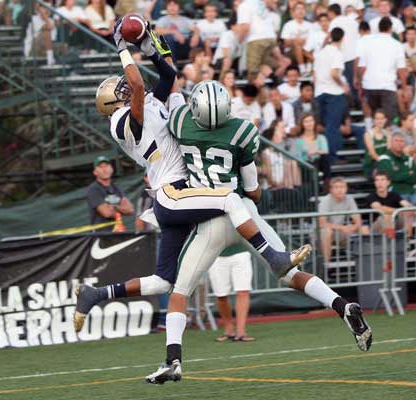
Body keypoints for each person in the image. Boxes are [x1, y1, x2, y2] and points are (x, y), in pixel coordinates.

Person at [77, 27, 309, 332]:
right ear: (112, 105)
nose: (129, 89)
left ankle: (96, 294)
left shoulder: (146, 106)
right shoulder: (121, 122)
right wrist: (121, 45)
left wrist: (152, 48)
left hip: (181, 193)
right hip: (172, 191)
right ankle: (274, 257)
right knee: (229, 198)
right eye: (120, 92)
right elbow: (135, 83)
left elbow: (168, 78)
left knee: (163, 281)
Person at [146, 81, 372, 385]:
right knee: (290, 273)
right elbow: (252, 191)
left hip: (209, 218)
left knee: (179, 292)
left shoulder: (180, 120)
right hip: (243, 213)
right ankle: (342, 305)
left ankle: (173, 360)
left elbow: (168, 121)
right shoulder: (243, 131)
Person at [357, 17, 407, 125]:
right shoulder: (397, 45)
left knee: (376, 118)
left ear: (378, 28)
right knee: (392, 119)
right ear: (390, 28)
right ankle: (393, 130)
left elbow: (361, 67)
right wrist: (404, 88)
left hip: (370, 86)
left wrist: (360, 86)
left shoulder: (368, 43)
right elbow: (401, 70)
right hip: (387, 86)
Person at [314, 27, 349, 162]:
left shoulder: (321, 53)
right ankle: (332, 156)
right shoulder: (337, 53)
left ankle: (326, 155)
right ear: (342, 38)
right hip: (333, 92)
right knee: (332, 127)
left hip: (320, 91)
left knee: (326, 126)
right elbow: (334, 73)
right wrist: (343, 85)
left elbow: (315, 75)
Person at [208, 247, 255, 342]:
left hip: (241, 252)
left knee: (243, 291)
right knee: (221, 295)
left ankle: (241, 332)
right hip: (215, 255)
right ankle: (229, 329)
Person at [319, 177, 370, 262]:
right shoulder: (326, 200)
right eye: (336, 187)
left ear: (346, 188)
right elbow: (322, 223)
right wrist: (342, 227)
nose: (340, 190)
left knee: (364, 229)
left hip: (340, 233)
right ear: (331, 190)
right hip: (321, 234)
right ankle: (326, 266)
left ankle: (367, 262)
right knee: (327, 231)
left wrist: (353, 227)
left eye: (342, 187)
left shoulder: (349, 199)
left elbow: (358, 220)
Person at [237, 0, 279, 79]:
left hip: (257, 39)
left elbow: (245, 27)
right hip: (270, 37)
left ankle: (253, 89)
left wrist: (239, 40)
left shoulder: (244, 6)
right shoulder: (260, 3)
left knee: (253, 70)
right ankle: (275, 79)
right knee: (261, 64)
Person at [86, 156, 134, 226]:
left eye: (106, 166)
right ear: (95, 172)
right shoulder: (93, 189)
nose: (104, 169)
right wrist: (120, 207)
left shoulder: (116, 188)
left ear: (111, 169)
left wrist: (113, 207)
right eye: (101, 167)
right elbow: (107, 213)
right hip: (102, 233)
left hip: (118, 231)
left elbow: (130, 210)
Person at [328, 3, 360, 106]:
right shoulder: (353, 22)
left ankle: (350, 108)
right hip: (355, 57)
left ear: (331, 13)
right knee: (354, 84)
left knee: (345, 85)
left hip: (343, 57)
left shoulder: (334, 22)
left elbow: (330, 39)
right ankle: (357, 106)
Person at [364, 171, 413, 236]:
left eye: (382, 180)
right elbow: (381, 209)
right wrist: (399, 211)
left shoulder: (394, 195)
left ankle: (407, 242)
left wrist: (408, 211)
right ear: (374, 183)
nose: (379, 183)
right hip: (375, 228)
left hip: (394, 223)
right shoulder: (371, 196)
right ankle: (390, 243)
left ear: (388, 182)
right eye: (377, 180)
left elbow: (409, 206)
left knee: (408, 213)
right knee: (387, 216)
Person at [377, 131, 416, 204]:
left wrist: (399, 174)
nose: (399, 143)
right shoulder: (384, 158)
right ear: (391, 143)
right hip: (395, 194)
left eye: (401, 141)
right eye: (396, 140)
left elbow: (414, 178)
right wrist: (409, 173)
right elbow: (392, 176)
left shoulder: (409, 159)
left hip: (412, 192)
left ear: (405, 144)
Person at [294, 113, 330, 189]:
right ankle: (314, 187)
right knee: (308, 165)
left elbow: (325, 151)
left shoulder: (321, 137)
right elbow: (298, 157)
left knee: (325, 158)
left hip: (319, 162)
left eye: (311, 121)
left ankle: (326, 183)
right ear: (302, 124)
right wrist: (309, 156)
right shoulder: (298, 140)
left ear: (314, 122)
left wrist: (314, 152)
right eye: (306, 121)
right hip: (306, 163)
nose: (309, 123)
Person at [281, 2, 313, 76]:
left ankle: (308, 69)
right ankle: (302, 70)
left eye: (302, 9)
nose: (300, 11)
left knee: (310, 46)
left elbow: (313, 41)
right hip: (291, 51)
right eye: (298, 9)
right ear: (293, 12)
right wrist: (296, 41)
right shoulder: (288, 25)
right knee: (297, 44)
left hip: (306, 50)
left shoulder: (310, 25)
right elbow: (285, 42)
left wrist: (303, 42)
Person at [23, 0, 56, 65]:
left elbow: (53, 38)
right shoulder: (34, 19)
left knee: (64, 46)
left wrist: (46, 18)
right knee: (46, 32)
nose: (46, 11)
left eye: (48, 9)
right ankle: (50, 61)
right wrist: (45, 17)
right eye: (44, 8)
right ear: (40, 10)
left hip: (45, 49)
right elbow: (48, 28)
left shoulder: (51, 21)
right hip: (32, 50)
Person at [363, 109, 390, 178]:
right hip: (372, 165)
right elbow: (373, 154)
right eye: (377, 119)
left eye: (382, 118)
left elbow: (389, 151)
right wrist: (384, 163)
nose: (380, 121)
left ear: (385, 120)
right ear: (373, 120)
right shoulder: (368, 134)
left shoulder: (387, 133)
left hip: (385, 164)